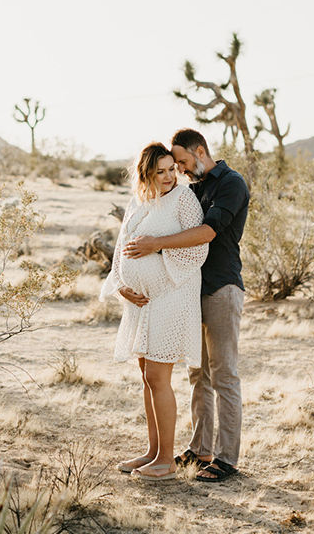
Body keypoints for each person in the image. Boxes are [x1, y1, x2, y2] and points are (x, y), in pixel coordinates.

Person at [124, 128, 250, 483]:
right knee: (199, 374)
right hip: (191, 292)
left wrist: (156, 245)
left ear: (199, 151)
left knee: (224, 374)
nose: (178, 169)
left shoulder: (231, 183)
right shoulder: (194, 188)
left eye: (181, 161)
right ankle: (200, 449)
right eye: (173, 164)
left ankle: (226, 459)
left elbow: (207, 233)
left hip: (222, 287)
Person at [100, 141, 207, 482]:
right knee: (147, 377)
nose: (167, 176)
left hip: (171, 295)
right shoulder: (138, 202)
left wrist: (156, 255)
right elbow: (121, 248)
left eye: (171, 169)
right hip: (141, 302)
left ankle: (166, 460)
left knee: (159, 378)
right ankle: (152, 451)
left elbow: (198, 246)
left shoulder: (183, 198)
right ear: (145, 174)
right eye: (159, 172)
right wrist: (122, 286)